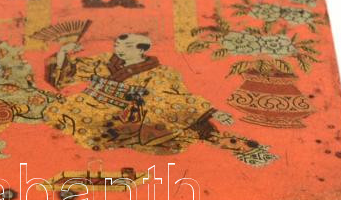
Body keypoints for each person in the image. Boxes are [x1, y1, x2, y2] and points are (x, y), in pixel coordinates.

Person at [43, 33, 273, 164]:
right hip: (85, 104)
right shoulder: (105, 61)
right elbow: (69, 73)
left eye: (127, 46)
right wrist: (63, 53)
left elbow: (171, 98)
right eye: (117, 45)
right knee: (54, 112)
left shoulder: (162, 73)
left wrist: (211, 111)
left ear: (142, 50)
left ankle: (225, 141)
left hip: (125, 116)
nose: (119, 49)